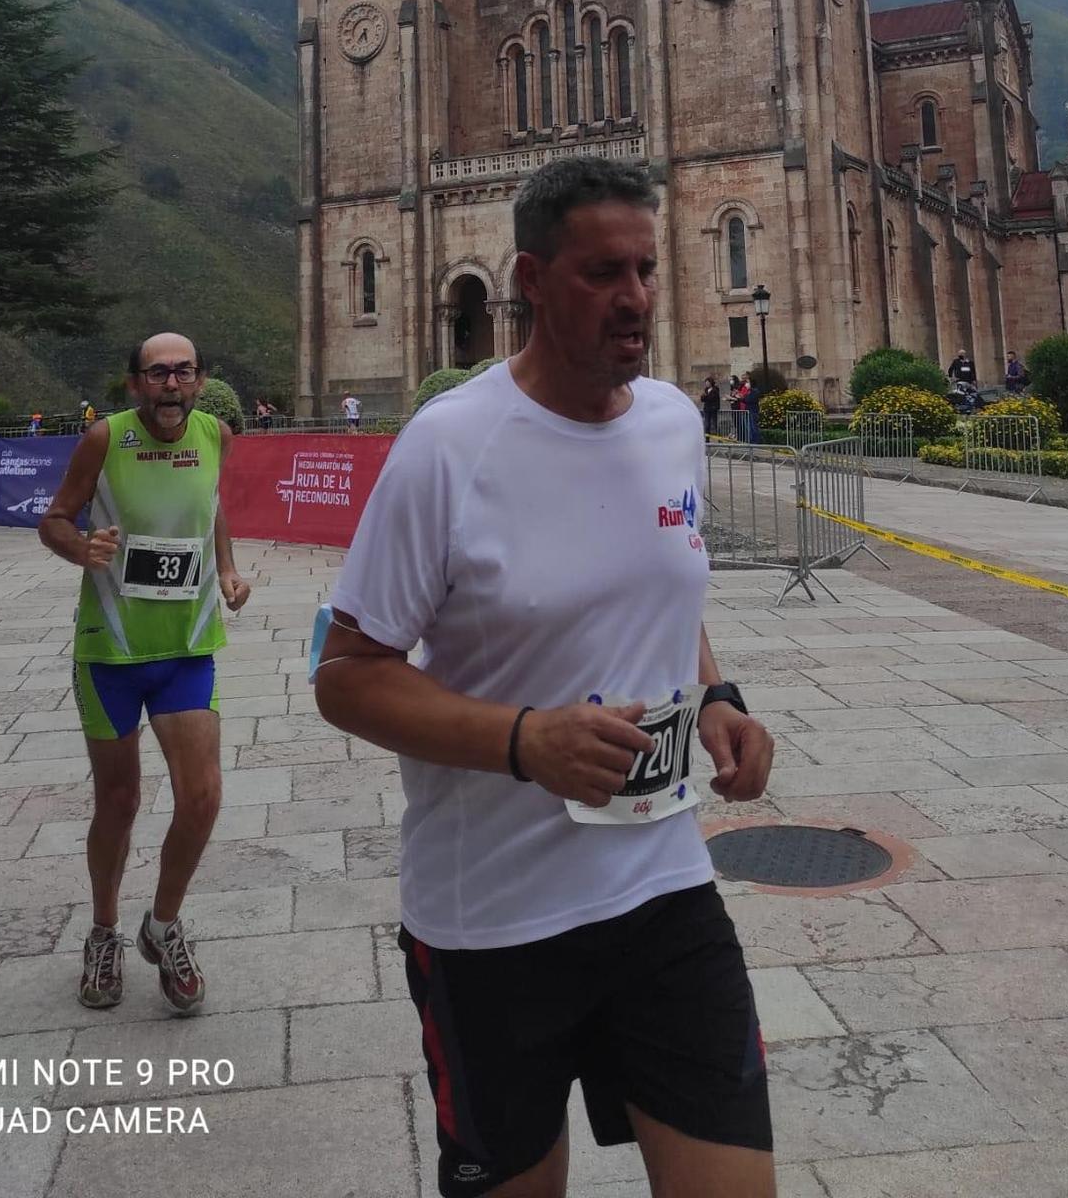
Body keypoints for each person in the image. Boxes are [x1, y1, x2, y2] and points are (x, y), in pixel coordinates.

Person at [317, 156, 777, 1198]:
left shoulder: (671, 421)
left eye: (648, 268)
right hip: (494, 922)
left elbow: (657, 582)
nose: (636, 297)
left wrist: (714, 696)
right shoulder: (446, 447)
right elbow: (346, 674)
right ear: (530, 277)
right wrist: (526, 740)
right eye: (602, 271)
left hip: (661, 889)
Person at [39, 333, 252, 1016]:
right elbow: (53, 520)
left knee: (203, 797)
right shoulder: (105, 440)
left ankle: (161, 926)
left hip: (187, 646)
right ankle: (103, 931)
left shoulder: (215, 433)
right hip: (111, 652)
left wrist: (225, 567)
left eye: (182, 372)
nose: (170, 384)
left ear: (199, 379)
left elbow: (211, 502)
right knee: (120, 802)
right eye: (157, 373)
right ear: (135, 384)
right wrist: (82, 546)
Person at [741, 375, 762, 446]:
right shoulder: (749, 391)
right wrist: (740, 398)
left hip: (753, 411)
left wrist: (744, 398)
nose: (746, 384)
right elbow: (745, 400)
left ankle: (756, 441)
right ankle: (751, 441)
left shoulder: (755, 391)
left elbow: (749, 400)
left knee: (754, 427)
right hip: (748, 410)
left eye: (748, 382)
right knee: (749, 427)